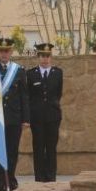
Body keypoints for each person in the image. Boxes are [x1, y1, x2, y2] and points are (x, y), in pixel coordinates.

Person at [0, 37, 29, 191]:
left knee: (12, 151)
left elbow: (24, 96)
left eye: (7, 51)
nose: (4, 54)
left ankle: (11, 180)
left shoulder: (18, 71)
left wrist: (25, 118)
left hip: (14, 118)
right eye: (1, 51)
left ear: (11, 52)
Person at [27, 42, 63, 182]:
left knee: (51, 147)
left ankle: (51, 176)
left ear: (51, 57)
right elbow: (30, 96)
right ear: (38, 56)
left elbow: (58, 94)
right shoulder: (31, 74)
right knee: (38, 147)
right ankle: (39, 177)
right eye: (42, 55)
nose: (45, 59)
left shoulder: (57, 73)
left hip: (53, 116)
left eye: (47, 56)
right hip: (36, 117)